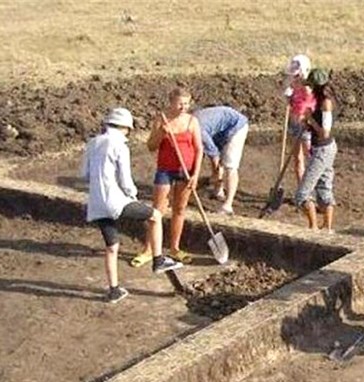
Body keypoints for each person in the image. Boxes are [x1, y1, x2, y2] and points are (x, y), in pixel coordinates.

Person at [81, 107, 182, 303]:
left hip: (96, 204)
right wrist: (132, 195)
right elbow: (126, 180)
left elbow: (84, 175)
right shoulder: (120, 145)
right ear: (126, 128)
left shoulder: (92, 143)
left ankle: (114, 290)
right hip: (115, 201)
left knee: (112, 246)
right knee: (155, 216)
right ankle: (158, 260)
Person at [130, 86, 202, 268]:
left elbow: (199, 149)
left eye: (186, 104)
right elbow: (151, 146)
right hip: (165, 170)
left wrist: (195, 174)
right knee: (157, 210)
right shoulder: (161, 120)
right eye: (180, 104)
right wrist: (161, 132)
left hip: (186, 171)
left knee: (180, 209)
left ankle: (175, 248)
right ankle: (149, 250)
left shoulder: (192, 121)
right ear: (171, 103)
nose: (183, 107)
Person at [294, 68, 337, 231]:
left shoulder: (326, 103)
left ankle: (314, 228)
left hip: (323, 150)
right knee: (324, 188)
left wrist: (310, 119)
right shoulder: (323, 100)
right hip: (324, 148)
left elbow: (324, 132)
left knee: (302, 194)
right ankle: (327, 228)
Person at [195, 105, 249, 215]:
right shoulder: (189, 126)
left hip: (236, 126)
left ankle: (228, 205)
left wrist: (216, 175)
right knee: (214, 157)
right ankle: (218, 190)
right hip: (219, 127)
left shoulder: (199, 132)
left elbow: (214, 156)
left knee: (230, 166)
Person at [284, 54, 316, 183]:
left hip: (306, 127)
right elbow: (291, 104)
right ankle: (301, 190)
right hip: (294, 125)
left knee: (312, 158)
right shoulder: (293, 84)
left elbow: (310, 107)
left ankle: (313, 188)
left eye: (297, 75)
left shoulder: (308, 89)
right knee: (297, 158)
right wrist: (287, 96)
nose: (294, 77)